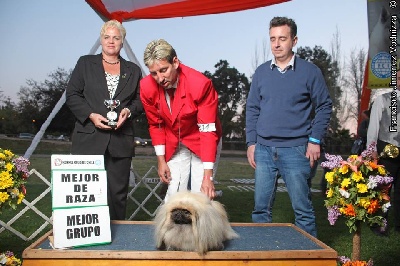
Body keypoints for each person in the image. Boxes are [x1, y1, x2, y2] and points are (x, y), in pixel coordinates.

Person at [245, 16, 332, 237]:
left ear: (294, 40)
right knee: (260, 209)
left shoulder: (310, 71)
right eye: (272, 38)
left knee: (302, 211)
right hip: (263, 150)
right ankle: (261, 253)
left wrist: (314, 140)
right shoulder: (262, 72)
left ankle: (309, 258)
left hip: (297, 150)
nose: (276, 44)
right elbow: (253, 109)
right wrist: (251, 143)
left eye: (282, 38)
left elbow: (324, 106)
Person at [66, 20, 143, 220]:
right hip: (88, 138)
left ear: (122, 41)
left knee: (118, 195)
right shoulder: (85, 63)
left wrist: (128, 111)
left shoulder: (134, 70)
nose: (111, 41)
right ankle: (87, 237)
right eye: (107, 37)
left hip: (121, 139)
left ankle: (118, 239)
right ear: (101, 40)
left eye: (116, 38)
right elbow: (72, 95)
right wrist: (90, 115)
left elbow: (140, 100)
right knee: (86, 193)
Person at [139, 39, 222, 201]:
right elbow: (156, 125)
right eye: (154, 73)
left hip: (202, 139)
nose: (159, 78)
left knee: (202, 196)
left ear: (175, 62)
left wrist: (208, 177)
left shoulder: (200, 84)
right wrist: (161, 160)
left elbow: (207, 132)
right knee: (173, 194)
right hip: (175, 141)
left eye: (164, 70)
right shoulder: (146, 87)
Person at [366, 68, 400, 234]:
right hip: (386, 151)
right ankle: (378, 225)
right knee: (383, 190)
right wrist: (371, 148)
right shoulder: (382, 99)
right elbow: (373, 126)